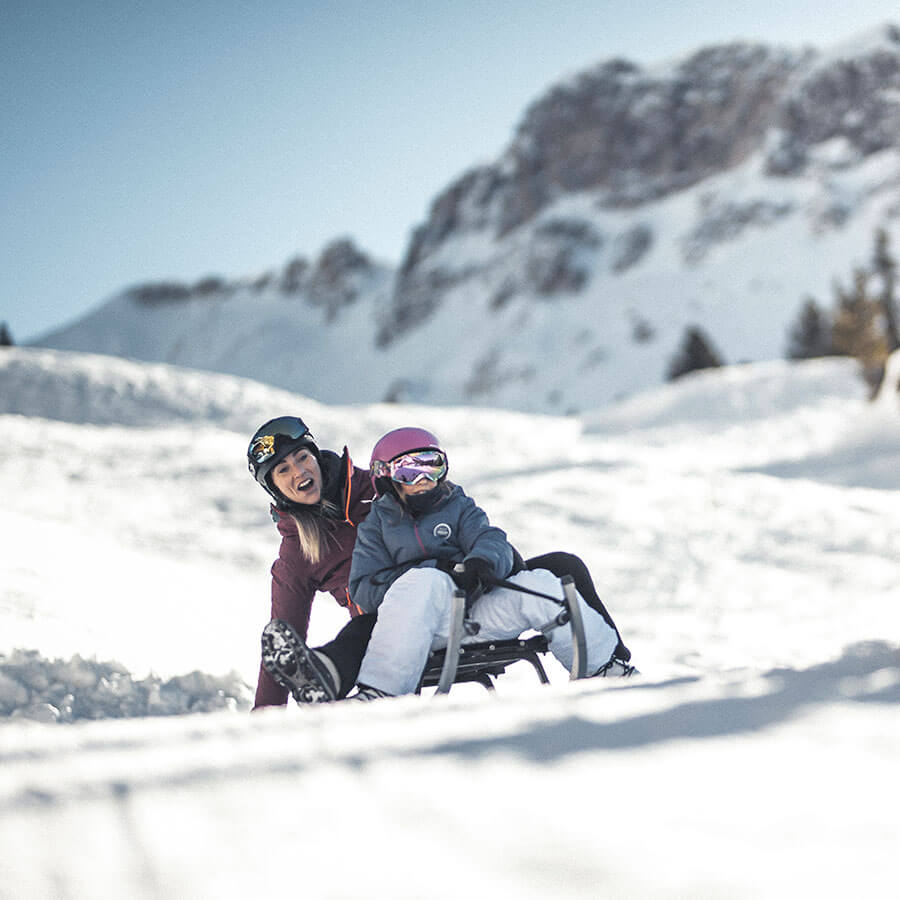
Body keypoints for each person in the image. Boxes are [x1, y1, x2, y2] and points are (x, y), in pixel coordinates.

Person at [346, 427, 636, 700]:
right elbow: (362, 588)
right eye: (409, 470)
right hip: (423, 627)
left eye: (432, 466)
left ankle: (604, 670)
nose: (423, 478)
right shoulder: (376, 527)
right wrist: (434, 572)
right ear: (384, 477)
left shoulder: (457, 506)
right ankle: (382, 692)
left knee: (539, 584)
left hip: (476, 617)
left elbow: (490, 537)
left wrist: (481, 563)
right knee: (424, 579)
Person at [246, 416, 377, 708]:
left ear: (316, 456)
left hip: (436, 596)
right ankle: (322, 676)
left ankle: (325, 672)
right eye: (283, 469)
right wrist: (265, 717)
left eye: (303, 457)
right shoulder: (298, 552)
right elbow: (283, 641)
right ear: (274, 488)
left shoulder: (374, 489)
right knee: (366, 629)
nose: (299, 471)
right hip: (378, 633)